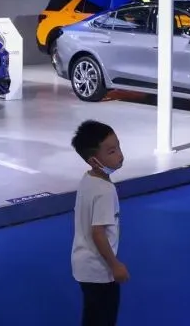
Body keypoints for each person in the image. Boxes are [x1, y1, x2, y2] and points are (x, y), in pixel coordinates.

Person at [70, 120, 127, 326]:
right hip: (99, 271)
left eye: (118, 146)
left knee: (92, 315)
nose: (120, 155)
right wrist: (115, 265)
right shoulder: (105, 191)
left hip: (83, 266)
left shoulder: (88, 179)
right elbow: (98, 233)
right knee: (105, 317)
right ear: (94, 161)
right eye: (111, 151)